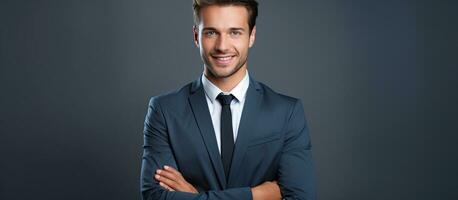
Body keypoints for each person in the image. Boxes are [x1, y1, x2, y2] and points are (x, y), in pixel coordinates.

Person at [140, 0, 315, 199]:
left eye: (235, 32)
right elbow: (155, 196)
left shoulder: (286, 112)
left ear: (252, 36)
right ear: (196, 36)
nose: (222, 46)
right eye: (211, 32)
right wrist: (257, 195)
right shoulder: (164, 111)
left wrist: (196, 196)